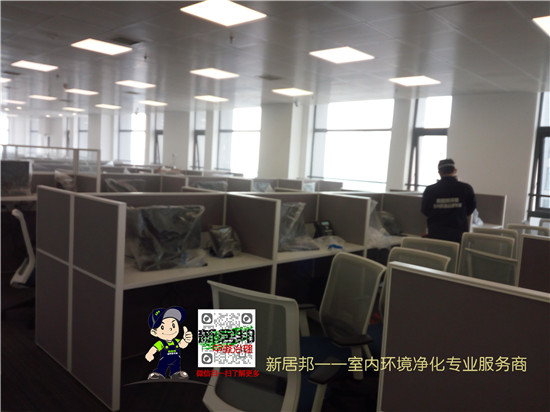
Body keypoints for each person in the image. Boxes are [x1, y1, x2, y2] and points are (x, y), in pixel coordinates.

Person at [421, 159, 476, 243]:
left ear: (439, 172)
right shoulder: (466, 188)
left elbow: (425, 210)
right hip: (458, 234)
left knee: (436, 252)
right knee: (457, 251)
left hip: (436, 234)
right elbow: (471, 208)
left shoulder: (430, 190)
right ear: (455, 170)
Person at [145, 306, 193, 380]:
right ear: (154, 332)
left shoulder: (176, 341)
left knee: (176, 368)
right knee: (162, 367)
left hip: (176, 360)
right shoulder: (161, 343)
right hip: (164, 360)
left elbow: (182, 345)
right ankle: (159, 374)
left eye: (173, 325)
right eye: (162, 327)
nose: (170, 329)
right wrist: (150, 354)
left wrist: (186, 340)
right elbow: (154, 348)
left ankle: (176, 374)